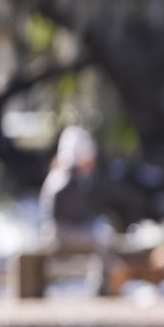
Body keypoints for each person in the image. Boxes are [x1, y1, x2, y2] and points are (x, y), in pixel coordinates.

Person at [38, 125, 117, 294]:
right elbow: (71, 214)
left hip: (56, 230)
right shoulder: (67, 177)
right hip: (60, 233)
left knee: (102, 233)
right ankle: (101, 287)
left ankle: (101, 284)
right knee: (103, 236)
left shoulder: (61, 173)